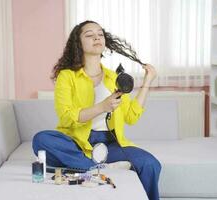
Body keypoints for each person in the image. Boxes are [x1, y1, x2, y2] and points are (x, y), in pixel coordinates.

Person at [32, 20, 161, 200]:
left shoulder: (113, 78)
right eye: (89, 34)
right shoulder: (67, 76)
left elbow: (131, 117)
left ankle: (87, 166)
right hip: (76, 142)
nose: (97, 37)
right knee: (41, 140)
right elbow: (67, 116)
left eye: (100, 34)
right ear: (79, 43)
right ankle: (97, 167)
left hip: (109, 144)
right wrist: (102, 107)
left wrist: (148, 81)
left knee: (150, 164)